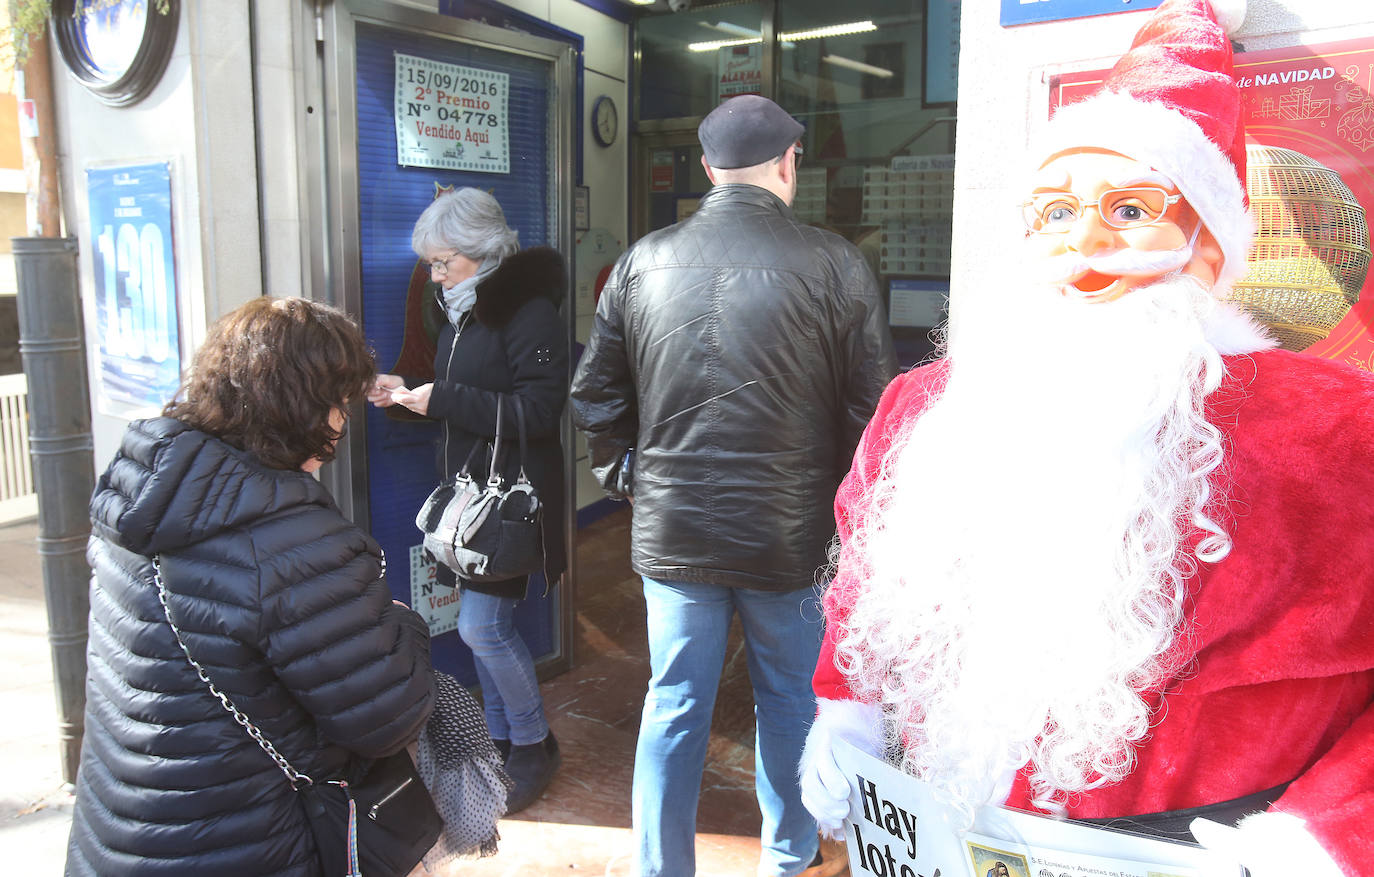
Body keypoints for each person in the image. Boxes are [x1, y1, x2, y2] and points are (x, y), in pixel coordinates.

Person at [798, 2, 1374, 876]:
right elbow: (865, 590)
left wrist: (1328, 832)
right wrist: (844, 713)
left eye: (1131, 208)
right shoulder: (927, 407)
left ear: (1210, 251)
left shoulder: (1340, 427)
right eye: (1055, 211)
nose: (1085, 242)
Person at [570, 94, 898, 877]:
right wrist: (848, 515)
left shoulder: (642, 262)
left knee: (673, 702)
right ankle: (787, 858)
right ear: (790, 165)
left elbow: (594, 397)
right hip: (793, 539)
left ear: (709, 169)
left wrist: (629, 478)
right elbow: (874, 414)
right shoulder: (837, 262)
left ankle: (661, 867)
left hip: (673, 532)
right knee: (788, 700)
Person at [65, 298, 436, 876]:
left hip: (121, 834)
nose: (342, 421)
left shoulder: (139, 498)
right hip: (248, 838)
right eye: (339, 403)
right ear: (304, 406)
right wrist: (402, 623)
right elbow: (389, 717)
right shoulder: (294, 540)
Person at [368, 187, 569, 814]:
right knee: (484, 630)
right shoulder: (463, 310)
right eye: (431, 263)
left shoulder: (526, 310)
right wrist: (411, 393)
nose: (434, 275)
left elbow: (541, 411)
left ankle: (533, 742)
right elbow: (467, 397)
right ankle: (505, 739)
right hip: (471, 499)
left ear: (482, 255)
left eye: (443, 262)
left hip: (510, 504)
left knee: (483, 628)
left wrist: (444, 400)